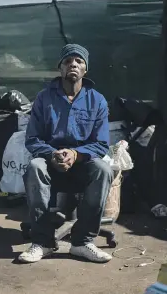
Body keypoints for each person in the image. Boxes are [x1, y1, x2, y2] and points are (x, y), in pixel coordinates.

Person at [19, 43, 113, 264]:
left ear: (85, 70)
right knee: (35, 167)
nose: (73, 64)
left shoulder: (97, 100)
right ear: (60, 68)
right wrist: (54, 154)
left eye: (79, 61)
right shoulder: (44, 98)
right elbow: (32, 139)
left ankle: (82, 242)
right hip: (51, 163)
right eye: (68, 61)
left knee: (103, 169)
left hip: (82, 165)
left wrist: (75, 154)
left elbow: (101, 143)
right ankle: (43, 242)